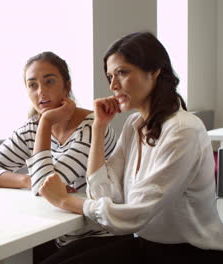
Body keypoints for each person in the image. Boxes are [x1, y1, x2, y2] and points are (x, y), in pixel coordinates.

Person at [39, 32, 223, 263]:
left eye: (122, 73)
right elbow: (104, 193)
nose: (114, 85)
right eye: (109, 76)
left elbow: (136, 214)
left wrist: (65, 201)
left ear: (154, 71)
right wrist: (99, 127)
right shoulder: (134, 125)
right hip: (146, 244)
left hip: (191, 253)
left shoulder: (183, 129)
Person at [0, 51, 117, 262]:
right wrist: (26, 180)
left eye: (49, 82)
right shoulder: (32, 127)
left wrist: (46, 122)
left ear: (66, 86)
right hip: (58, 236)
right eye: (32, 85)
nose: (41, 92)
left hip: (101, 235)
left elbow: (49, 185)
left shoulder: (93, 125)